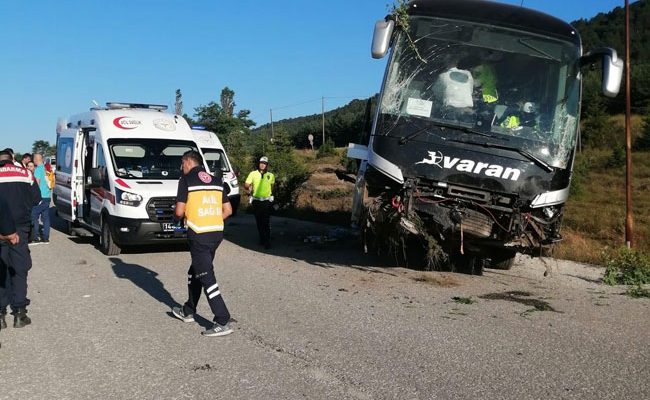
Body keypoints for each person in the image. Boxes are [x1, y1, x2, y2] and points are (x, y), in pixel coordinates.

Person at [171, 150, 234, 337]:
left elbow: (180, 211)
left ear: (187, 162)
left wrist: (175, 219)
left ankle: (222, 320)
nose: (181, 168)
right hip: (215, 233)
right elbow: (228, 210)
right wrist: (212, 220)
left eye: (182, 165)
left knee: (206, 276)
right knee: (195, 271)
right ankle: (188, 310)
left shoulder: (186, 180)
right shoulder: (216, 181)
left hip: (198, 234)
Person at [0, 149, 41, 329]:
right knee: (19, 269)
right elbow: (37, 199)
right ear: (12, 159)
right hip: (20, 228)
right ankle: (19, 314)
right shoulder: (26, 174)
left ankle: (0, 316)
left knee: (0, 269)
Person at [244, 156, 275, 249]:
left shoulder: (271, 175)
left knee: (266, 221)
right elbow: (246, 184)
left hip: (266, 201)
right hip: (256, 201)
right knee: (259, 221)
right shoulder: (253, 174)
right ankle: (262, 239)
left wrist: (271, 195)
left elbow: (273, 186)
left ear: (267, 165)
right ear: (259, 163)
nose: (262, 165)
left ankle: (267, 241)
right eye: (261, 163)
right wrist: (248, 187)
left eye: (264, 163)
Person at [31, 153, 52, 244]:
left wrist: (34, 197)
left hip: (40, 197)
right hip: (47, 196)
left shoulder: (38, 170)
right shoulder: (48, 169)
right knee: (46, 218)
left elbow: (37, 184)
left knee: (34, 216)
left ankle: (35, 237)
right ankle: (46, 238)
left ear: (35, 160)